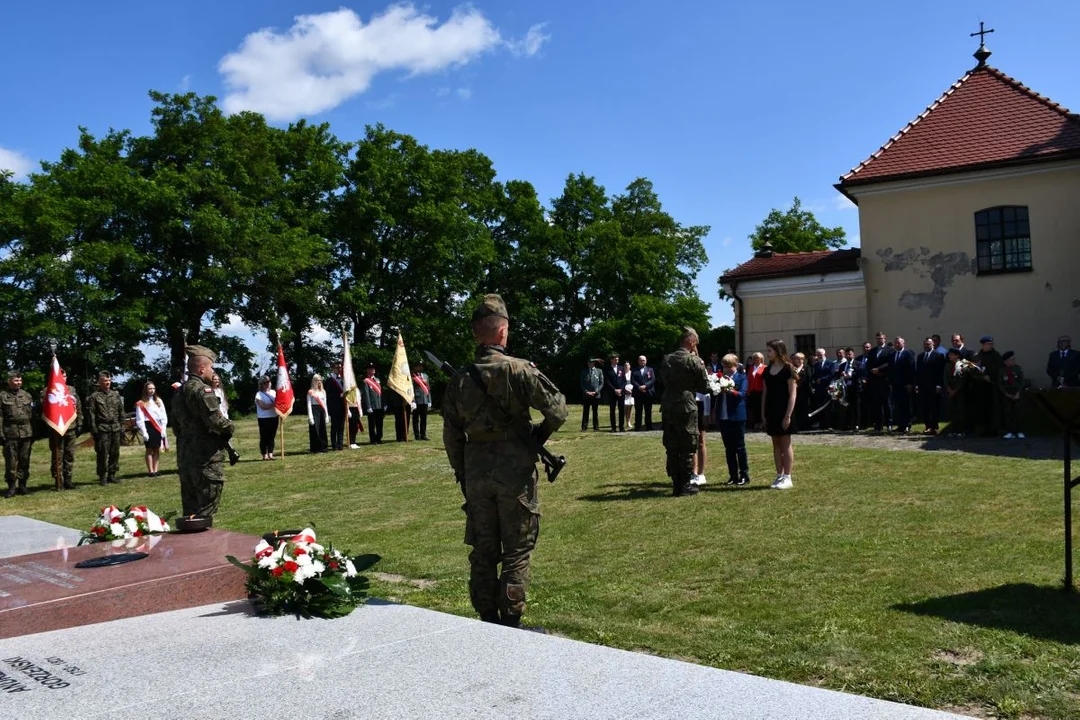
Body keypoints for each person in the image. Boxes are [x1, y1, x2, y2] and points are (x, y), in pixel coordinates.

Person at [441, 293, 567, 628]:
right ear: (503, 332)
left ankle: (485, 616)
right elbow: (557, 410)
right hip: (514, 473)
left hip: (476, 473)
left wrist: (463, 473)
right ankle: (510, 622)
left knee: (483, 549)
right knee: (516, 549)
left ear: (475, 333)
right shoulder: (519, 370)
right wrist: (537, 438)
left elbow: (451, 436)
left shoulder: (459, 379)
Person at [171, 345, 235, 518]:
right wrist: (230, 426)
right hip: (206, 458)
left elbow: (175, 426)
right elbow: (216, 422)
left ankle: (189, 544)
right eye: (211, 367)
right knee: (206, 510)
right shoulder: (203, 391)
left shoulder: (179, 392)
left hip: (185, 457)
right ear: (202, 368)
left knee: (190, 510)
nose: (212, 371)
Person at [660, 326, 711, 497]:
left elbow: (664, 380)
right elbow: (704, 387)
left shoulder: (667, 359)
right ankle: (685, 485)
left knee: (672, 445)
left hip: (668, 406)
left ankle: (676, 483)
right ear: (690, 342)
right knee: (688, 445)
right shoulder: (693, 361)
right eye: (695, 342)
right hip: (686, 406)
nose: (695, 346)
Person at [761, 339, 797, 489]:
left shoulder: (789, 368)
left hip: (784, 410)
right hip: (771, 410)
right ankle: (779, 475)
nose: (767, 353)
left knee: (785, 442)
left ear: (778, 350)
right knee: (775, 443)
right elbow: (765, 393)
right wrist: (763, 413)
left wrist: (788, 415)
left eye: (770, 350)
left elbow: (793, 394)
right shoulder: (767, 370)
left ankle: (788, 476)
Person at [41, 371, 81, 490]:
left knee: (69, 455)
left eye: (64, 376)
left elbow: (78, 407)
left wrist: (80, 423)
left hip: (70, 427)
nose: (62, 378)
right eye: (60, 376)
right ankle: (58, 480)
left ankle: (68, 480)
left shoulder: (71, 390)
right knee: (57, 455)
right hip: (55, 428)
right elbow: (45, 410)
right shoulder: (46, 391)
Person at [715, 354, 750, 486]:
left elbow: (742, 394)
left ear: (735, 365)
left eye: (729, 366)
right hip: (724, 416)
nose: (726, 369)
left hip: (737, 416)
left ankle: (744, 475)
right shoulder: (719, 378)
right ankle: (733, 475)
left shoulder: (742, 377)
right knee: (728, 448)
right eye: (724, 366)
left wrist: (729, 390)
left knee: (739, 447)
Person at [86, 371, 124, 486]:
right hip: (102, 428)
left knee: (115, 452)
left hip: (115, 427)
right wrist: (94, 430)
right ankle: (102, 476)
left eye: (109, 381)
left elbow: (121, 411)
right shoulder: (94, 397)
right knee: (102, 453)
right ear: (100, 382)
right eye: (105, 381)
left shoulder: (116, 394)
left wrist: (122, 425)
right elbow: (91, 414)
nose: (107, 383)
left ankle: (112, 474)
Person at [2, 370, 35, 498]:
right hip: (10, 433)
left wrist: (33, 432)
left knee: (24, 460)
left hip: (26, 432)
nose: (18, 383)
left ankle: (22, 485)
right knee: (11, 461)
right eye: (16, 380)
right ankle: (11, 487)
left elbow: (32, 415)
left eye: (20, 380)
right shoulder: (3, 396)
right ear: (9, 381)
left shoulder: (27, 395)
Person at [135, 381, 168, 477]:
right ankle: (151, 471)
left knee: (157, 449)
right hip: (148, 426)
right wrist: (144, 431)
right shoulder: (141, 403)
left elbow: (163, 415)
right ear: (145, 390)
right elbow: (139, 419)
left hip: (158, 426)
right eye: (149, 388)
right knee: (149, 449)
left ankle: (156, 470)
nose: (152, 390)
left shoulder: (159, 401)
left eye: (153, 388)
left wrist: (164, 428)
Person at [915, 337, 944, 435]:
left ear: (933, 344)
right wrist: (917, 385)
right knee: (925, 407)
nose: (926, 346)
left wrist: (939, 385)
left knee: (934, 407)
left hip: (934, 386)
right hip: (923, 386)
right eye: (925, 344)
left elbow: (940, 372)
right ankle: (927, 426)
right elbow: (918, 372)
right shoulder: (920, 356)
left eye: (928, 344)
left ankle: (934, 427)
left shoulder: (938, 356)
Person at [211, 373, 241, 466]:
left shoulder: (220, 391)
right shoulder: (209, 391)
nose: (216, 381)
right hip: (215, 417)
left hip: (223, 416)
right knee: (220, 438)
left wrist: (225, 417)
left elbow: (224, 405)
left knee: (223, 437)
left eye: (217, 379)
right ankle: (232, 453)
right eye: (214, 379)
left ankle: (231, 453)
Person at [888, 337, 916, 433]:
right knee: (898, 405)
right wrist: (891, 383)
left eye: (899, 343)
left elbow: (912, 369)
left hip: (905, 384)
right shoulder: (892, 355)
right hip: (896, 384)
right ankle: (900, 425)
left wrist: (910, 383)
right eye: (895, 343)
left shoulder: (908, 354)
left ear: (903, 343)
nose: (897, 344)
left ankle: (907, 424)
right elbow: (891, 370)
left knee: (906, 405)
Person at [865, 331, 892, 433]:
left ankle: (889, 424)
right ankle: (878, 425)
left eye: (881, 338)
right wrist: (872, 371)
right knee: (876, 404)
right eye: (877, 339)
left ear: (884, 338)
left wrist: (879, 370)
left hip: (884, 380)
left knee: (887, 404)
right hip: (874, 381)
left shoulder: (889, 350)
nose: (879, 340)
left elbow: (889, 363)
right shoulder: (872, 351)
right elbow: (869, 364)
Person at [944, 348, 970, 437]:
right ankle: (953, 430)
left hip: (960, 391)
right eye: (949, 354)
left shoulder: (963, 365)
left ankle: (961, 430)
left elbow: (963, 379)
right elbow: (945, 378)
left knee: (961, 410)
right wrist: (948, 388)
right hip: (950, 390)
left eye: (951, 354)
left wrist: (955, 390)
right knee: (952, 411)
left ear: (957, 355)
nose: (949, 356)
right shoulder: (947, 365)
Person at [1000, 351, 1026, 439]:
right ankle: (1010, 431)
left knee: (1018, 413)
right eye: (1011, 360)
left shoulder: (1018, 369)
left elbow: (1022, 382)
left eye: (1013, 359)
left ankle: (1019, 431)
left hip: (1017, 393)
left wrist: (1018, 393)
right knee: (1008, 413)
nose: (1013, 361)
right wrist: (1006, 394)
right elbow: (1000, 384)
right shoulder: (1001, 370)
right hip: (1007, 394)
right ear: (1006, 361)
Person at [254, 376, 278, 460]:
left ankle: (270, 453)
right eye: (264, 383)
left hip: (274, 416)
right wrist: (274, 404)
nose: (267, 384)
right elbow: (263, 406)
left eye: (268, 382)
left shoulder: (274, 392)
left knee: (272, 436)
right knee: (264, 436)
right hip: (263, 418)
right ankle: (264, 454)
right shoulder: (259, 394)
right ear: (261, 384)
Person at [631, 355, 656, 431]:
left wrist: (645, 386)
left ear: (646, 361)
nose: (642, 362)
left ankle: (649, 426)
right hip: (638, 393)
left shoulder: (650, 370)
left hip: (648, 392)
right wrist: (639, 387)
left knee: (648, 410)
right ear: (638, 361)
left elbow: (653, 380)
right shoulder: (634, 370)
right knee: (638, 411)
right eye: (641, 360)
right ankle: (638, 426)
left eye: (644, 360)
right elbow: (632, 380)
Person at [361, 363, 384, 445]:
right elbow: (366, 394)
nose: (372, 370)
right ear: (367, 370)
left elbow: (381, 393)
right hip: (372, 406)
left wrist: (384, 403)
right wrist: (368, 406)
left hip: (379, 405)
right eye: (370, 368)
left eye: (373, 368)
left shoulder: (378, 380)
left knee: (379, 423)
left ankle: (379, 438)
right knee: (372, 424)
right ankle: (373, 439)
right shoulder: (365, 381)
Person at [325, 363, 347, 451]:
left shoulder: (342, 380)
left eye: (340, 368)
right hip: (334, 407)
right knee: (334, 427)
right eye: (337, 368)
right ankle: (334, 445)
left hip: (342, 406)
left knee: (341, 427)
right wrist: (339, 395)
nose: (339, 369)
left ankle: (340, 444)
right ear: (332, 369)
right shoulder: (329, 380)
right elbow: (329, 395)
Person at [579, 358, 603, 431]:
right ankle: (584, 427)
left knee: (595, 412)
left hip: (595, 395)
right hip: (586, 395)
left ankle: (596, 427)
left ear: (594, 363)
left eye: (591, 362)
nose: (590, 364)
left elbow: (601, 383)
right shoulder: (584, 371)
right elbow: (581, 383)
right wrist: (586, 391)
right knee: (585, 411)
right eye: (589, 362)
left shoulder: (599, 371)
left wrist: (596, 391)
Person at [307, 374, 329, 453]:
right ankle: (315, 448)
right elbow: (309, 404)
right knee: (315, 430)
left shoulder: (323, 391)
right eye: (317, 380)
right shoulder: (311, 392)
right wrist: (310, 416)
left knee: (322, 429)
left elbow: (325, 404)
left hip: (322, 410)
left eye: (320, 380)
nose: (319, 381)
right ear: (314, 381)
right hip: (314, 410)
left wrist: (326, 415)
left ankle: (324, 447)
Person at [603, 353, 624, 432]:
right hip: (612, 392)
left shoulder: (621, 368)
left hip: (621, 392)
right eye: (615, 359)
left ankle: (621, 427)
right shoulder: (607, 369)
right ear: (611, 360)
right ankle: (613, 427)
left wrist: (621, 389)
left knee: (621, 410)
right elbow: (607, 381)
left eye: (618, 359)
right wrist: (614, 390)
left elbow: (624, 380)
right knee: (612, 410)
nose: (617, 361)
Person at [412, 360, 432, 441]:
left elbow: (428, 388)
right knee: (415, 418)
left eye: (421, 366)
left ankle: (423, 434)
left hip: (425, 399)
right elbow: (411, 388)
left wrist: (429, 400)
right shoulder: (412, 376)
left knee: (424, 418)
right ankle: (417, 435)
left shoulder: (425, 376)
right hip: (417, 399)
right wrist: (412, 401)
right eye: (418, 365)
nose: (420, 367)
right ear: (415, 367)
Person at [791, 353, 811, 430]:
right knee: (795, 409)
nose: (799, 360)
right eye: (797, 358)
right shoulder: (792, 368)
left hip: (804, 391)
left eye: (800, 359)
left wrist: (798, 384)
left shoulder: (807, 367)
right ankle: (796, 426)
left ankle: (804, 426)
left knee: (804, 408)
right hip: (794, 391)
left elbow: (808, 377)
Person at [746, 353, 765, 432]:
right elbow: (749, 379)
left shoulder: (764, 367)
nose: (755, 359)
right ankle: (756, 422)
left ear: (761, 359)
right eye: (754, 358)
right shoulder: (751, 368)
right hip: (752, 391)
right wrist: (748, 390)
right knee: (754, 408)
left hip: (761, 391)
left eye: (757, 358)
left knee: (760, 407)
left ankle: (761, 423)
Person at [621, 361, 634, 434]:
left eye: (628, 365)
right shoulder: (622, 373)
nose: (626, 366)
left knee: (630, 407)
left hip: (632, 391)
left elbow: (634, 382)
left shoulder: (632, 373)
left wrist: (632, 390)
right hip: (624, 390)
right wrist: (625, 390)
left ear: (630, 366)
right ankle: (623, 422)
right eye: (625, 365)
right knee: (625, 407)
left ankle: (629, 422)